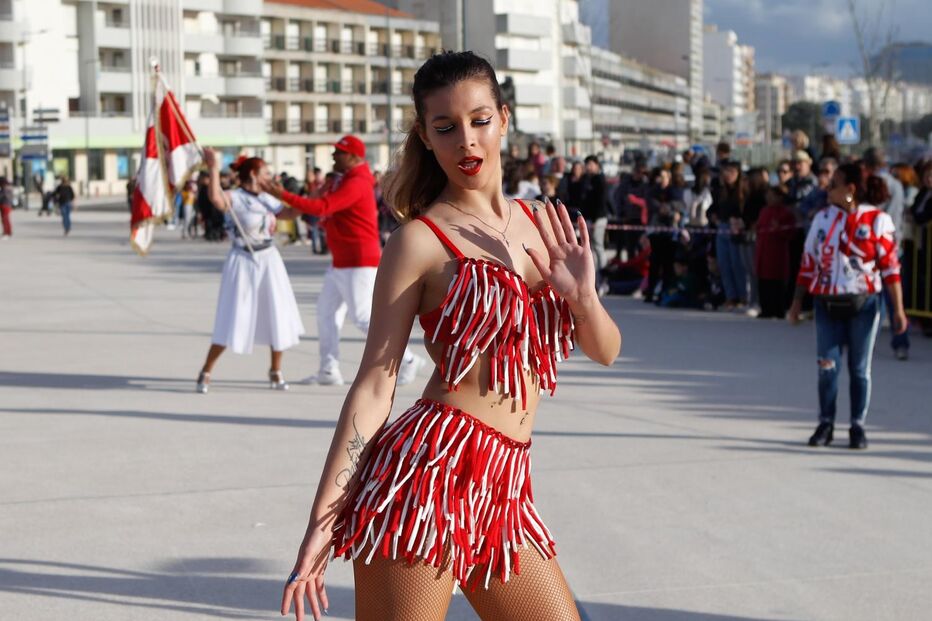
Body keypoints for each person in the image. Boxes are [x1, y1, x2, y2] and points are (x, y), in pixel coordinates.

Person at [279, 51, 621, 621]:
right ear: (426, 136)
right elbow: (374, 383)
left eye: (480, 120)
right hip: (425, 480)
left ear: (504, 120)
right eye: (446, 127)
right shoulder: (420, 240)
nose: (467, 141)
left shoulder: (545, 224)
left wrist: (582, 295)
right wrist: (321, 524)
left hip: (505, 489)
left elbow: (606, 351)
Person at [260, 135, 426, 387]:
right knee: (326, 313)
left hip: (358, 260)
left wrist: (282, 194)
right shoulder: (344, 180)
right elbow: (321, 206)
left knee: (362, 317)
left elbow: (322, 207)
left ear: (354, 156)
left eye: (339, 152)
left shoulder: (357, 181)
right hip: (342, 261)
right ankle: (329, 370)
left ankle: (409, 360)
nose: (334, 156)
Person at [789, 163, 907, 450]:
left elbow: (890, 269)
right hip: (826, 302)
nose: (828, 189)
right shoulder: (822, 219)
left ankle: (857, 425)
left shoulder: (877, 221)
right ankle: (825, 423)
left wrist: (899, 310)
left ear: (850, 190)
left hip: (864, 303)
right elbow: (808, 262)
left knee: (859, 369)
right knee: (827, 366)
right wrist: (796, 303)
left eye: (834, 184)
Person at [194, 151, 306, 394]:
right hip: (242, 260)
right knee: (232, 316)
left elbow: (288, 213)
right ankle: (207, 369)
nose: (270, 176)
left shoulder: (268, 198)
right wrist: (213, 168)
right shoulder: (235, 197)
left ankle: (275, 370)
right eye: (266, 172)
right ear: (254, 175)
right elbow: (216, 199)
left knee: (277, 314)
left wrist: (303, 200)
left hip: (269, 260)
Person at [709, 160, 748, 309]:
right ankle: (731, 297)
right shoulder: (720, 190)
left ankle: (743, 296)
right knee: (724, 264)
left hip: (737, 229)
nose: (727, 175)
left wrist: (739, 220)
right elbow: (714, 207)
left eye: (731, 172)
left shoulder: (743, 190)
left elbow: (745, 209)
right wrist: (712, 215)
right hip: (722, 228)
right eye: (725, 171)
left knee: (737, 264)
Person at [754, 186, 796, 318]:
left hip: (777, 252)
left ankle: (778, 309)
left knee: (777, 282)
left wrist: (778, 229)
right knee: (763, 281)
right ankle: (765, 308)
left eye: (772, 195)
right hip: (763, 250)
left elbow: (790, 232)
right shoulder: (764, 211)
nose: (769, 198)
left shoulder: (785, 213)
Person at [581, 155, 609, 294]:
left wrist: (596, 219)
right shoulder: (588, 180)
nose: (588, 167)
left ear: (597, 164)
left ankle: (603, 276)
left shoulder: (600, 179)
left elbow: (601, 200)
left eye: (590, 164)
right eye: (587, 165)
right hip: (589, 218)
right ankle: (594, 278)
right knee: (590, 248)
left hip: (599, 218)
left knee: (598, 247)